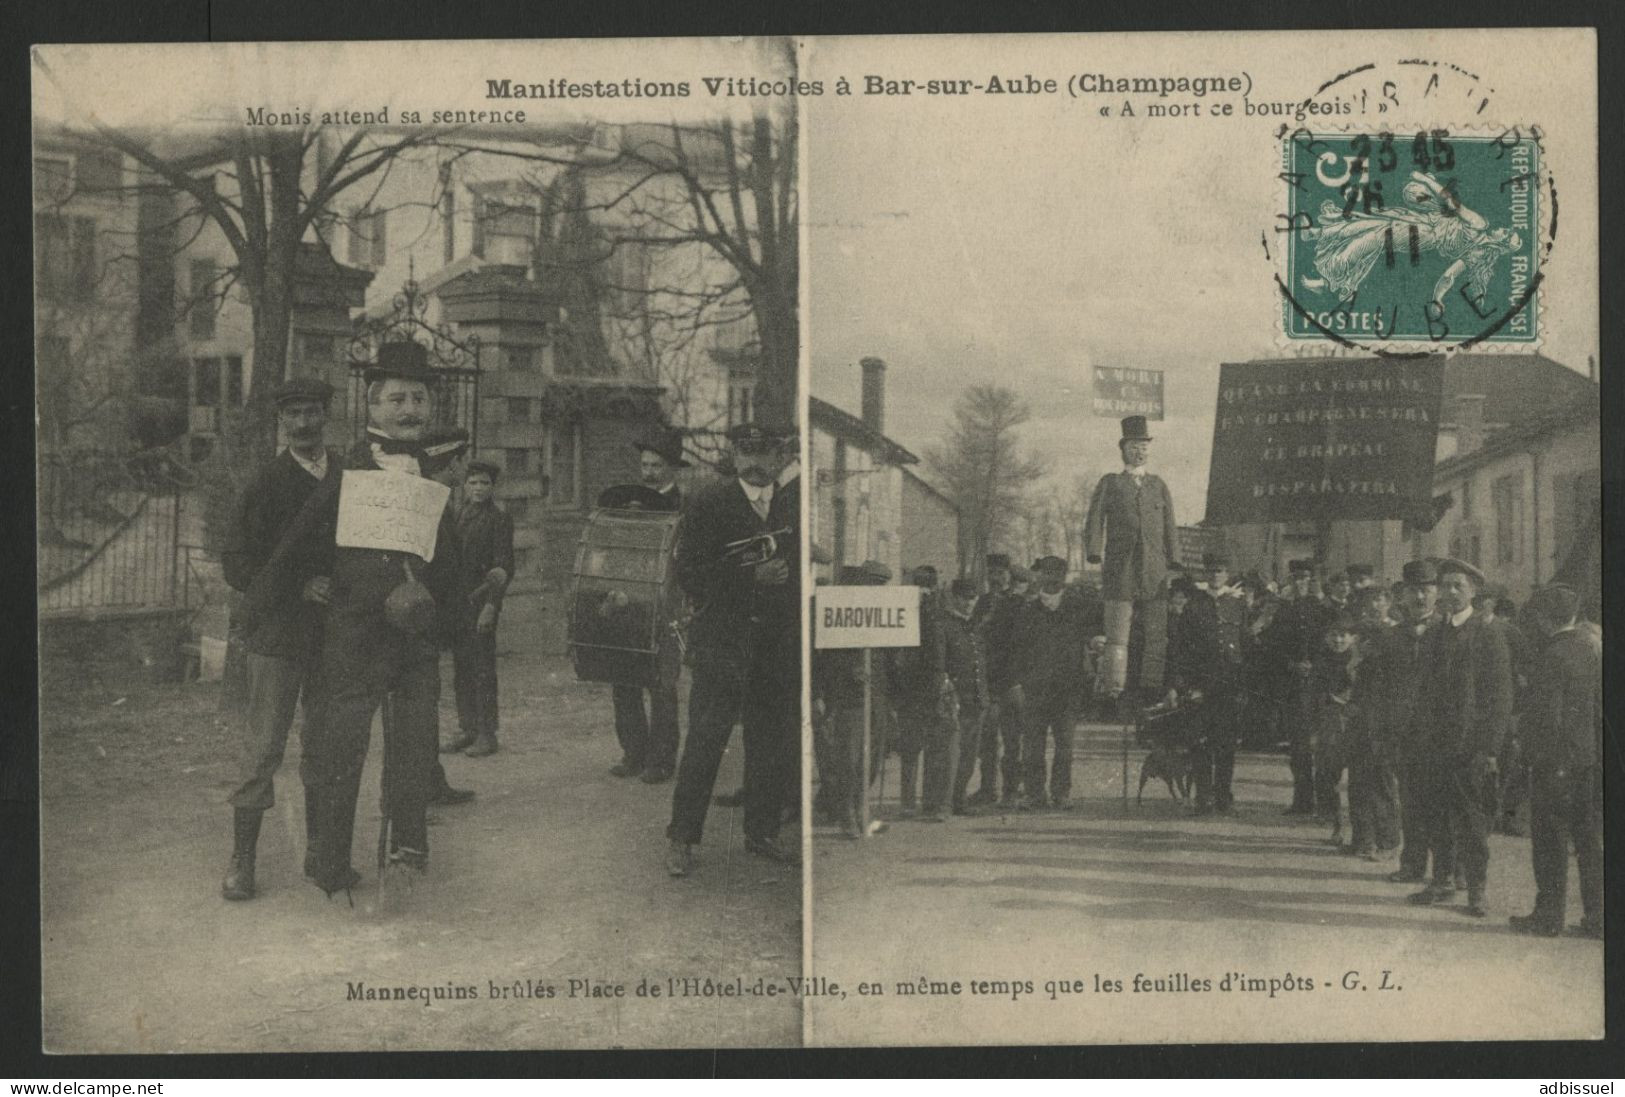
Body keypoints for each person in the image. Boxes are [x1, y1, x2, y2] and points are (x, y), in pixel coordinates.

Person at [287, 342, 469, 896]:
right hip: (356, 634)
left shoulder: (436, 473)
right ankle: (330, 861)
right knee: (343, 749)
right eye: (397, 399)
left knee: (415, 745)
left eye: (418, 398)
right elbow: (301, 543)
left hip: (416, 638)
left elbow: (449, 557)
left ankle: (409, 846)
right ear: (371, 403)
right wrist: (303, 583)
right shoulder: (345, 470)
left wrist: (447, 618)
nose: (409, 410)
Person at [218, 377, 340, 901]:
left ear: (325, 418)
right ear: (282, 423)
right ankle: (242, 862)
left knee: (326, 746)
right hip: (278, 634)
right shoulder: (267, 482)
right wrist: (298, 585)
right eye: (294, 415)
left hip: (335, 636)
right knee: (263, 748)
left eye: (312, 412)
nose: (304, 423)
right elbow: (237, 563)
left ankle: (319, 853)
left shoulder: (348, 478)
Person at [664, 422, 799, 876]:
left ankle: (761, 832)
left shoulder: (790, 505)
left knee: (769, 742)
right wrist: (749, 578)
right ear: (735, 456)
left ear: (781, 457)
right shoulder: (708, 502)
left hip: (774, 645)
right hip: (722, 642)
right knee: (706, 740)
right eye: (747, 453)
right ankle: (681, 839)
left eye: (767, 453)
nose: (756, 463)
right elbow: (690, 574)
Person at [1405, 558, 1513, 918]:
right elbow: (1422, 690)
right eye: (1446, 585)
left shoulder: (1488, 632)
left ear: (1473, 592)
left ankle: (1476, 892)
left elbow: (1499, 697)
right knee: (1436, 814)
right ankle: (1442, 881)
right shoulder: (1436, 632)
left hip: (1469, 747)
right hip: (1433, 744)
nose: (1450, 592)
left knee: (1471, 819)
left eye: (1458, 586)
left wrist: (1489, 748)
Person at [1509, 584, 1602, 939]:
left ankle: (1548, 916)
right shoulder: (1591, 649)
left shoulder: (1552, 655)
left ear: (1542, 618)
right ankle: (1599, 917)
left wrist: (1530, 756)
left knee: (1550, 839)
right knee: (1589, 840)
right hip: (1588, 758)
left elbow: (1547, 718)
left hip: (1555, 762)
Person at [608, 428, 687, 783]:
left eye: (656, 465)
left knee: (661, 684)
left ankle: (662, 759)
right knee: (623, 678)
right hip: (629, 600)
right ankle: (633, 753)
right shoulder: (629, 503)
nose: (649, 472)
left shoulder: (685, 507)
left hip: (666, 605)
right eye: (645, 464)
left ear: (671, 468)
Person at [1084, 415, 1179, 702]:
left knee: (1156, 634)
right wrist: (1094, 550)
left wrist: (1173, 558)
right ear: (1123, 449)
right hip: (1120, 568)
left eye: (1144, 446)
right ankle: (1113, 689)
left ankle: (1152, 688)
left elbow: (1170, 524)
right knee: (1117, 635)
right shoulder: (1111, 483)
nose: (1140, 452)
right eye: (1134, 446)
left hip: (1154, 570)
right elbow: (1095, 519)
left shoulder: (1158, 485)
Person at [812, 561, 891, 837]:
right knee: (850, 758)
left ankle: (860, 807)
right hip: (849, 696)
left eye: (881, 585)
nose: (877, 590)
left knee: (874, 756)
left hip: (877, 695)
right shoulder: (838, 608)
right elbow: (823, 656)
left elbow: (888, 656)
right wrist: (848, 671)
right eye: (873, 584)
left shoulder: (882, 610)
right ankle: (846, 812)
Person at [1012, 556, 1096, 810]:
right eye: (1047, 573)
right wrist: (1019, 682)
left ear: (1064, 577)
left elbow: (1094, 635)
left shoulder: (1078, 608)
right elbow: (1018, 650)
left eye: (1057, 574)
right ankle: (1035, 794)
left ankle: (1061, 793)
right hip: (1035, 689)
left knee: (1065, 747)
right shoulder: (1028, 610)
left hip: (1067, 689)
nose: (1052, 579)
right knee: (1033, 747)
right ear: (1040, 576)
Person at [1385, 559, 1444, 885]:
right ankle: (1412, 865)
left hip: (1439, 734)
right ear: (1403, 595)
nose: (1420, 597)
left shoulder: (1447, 633)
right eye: (1414, 591)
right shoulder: (1393, 637)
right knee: (1410, 802)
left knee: (1441, 805)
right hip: (1406, 734)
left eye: (1426, 590)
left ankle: (1447, 872)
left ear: (1436, 593)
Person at [1264, 559, 1331, 815]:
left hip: (1318, 684)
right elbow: (1273, 645)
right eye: (1296, 579)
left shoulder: (1322, 609)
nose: (1300, 584)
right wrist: (1291, 664)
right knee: (1298, 745)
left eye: (1305, 579)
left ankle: (1325, 802)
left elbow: (1334, 642)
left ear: (1312, 581)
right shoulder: (1284, 610)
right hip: (1293, 684)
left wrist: (1315, 665)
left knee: (1322, 747)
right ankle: (1302, 799)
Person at [1346, 585, 1401, 860]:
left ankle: (1388, 840)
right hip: (1360, 710)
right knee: (1358, 777)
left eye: (1380, 599)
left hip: (1385, 713)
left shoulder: (1398, 631)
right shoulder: (1358, 633)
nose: (1375, 605)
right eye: (1370, 601)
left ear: (1389, 602)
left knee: (1382, 779)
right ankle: (1362, 838)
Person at [890, 565, 948, 816]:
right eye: (919, 585)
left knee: (934, 749)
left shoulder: (940, 615)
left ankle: (931, 802)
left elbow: (945, 654)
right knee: (910, 749)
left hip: (932, 689)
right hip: (909, 689)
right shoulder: (901, 613)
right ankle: (907, 801)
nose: (924, 591)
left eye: (928, 586)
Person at [941, 578, 989, 817]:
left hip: (977, 699)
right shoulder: (946, 626)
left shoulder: (976, 627)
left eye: (973, 598)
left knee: (970, 754)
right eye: (964, 598)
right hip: (955, 700)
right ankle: (944, 803)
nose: (969, 603)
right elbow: (940, 665)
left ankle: (959, 798)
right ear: (954, 598)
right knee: (951, 754)